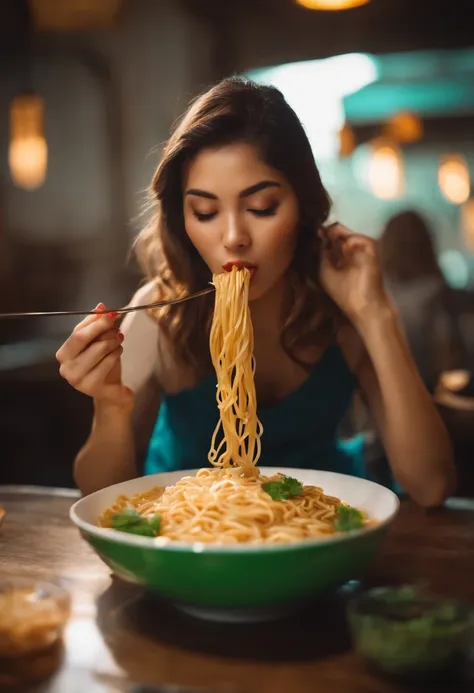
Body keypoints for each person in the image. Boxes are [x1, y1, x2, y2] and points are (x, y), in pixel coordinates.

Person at [56, 77, 455, 505]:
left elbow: (431, 486)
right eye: (205, 212)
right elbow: (101, 494)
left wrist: (377, 315)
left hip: (321, 534)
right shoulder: (160, 315)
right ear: (182, 219)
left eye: (261, 208)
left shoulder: (340, 308)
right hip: (188, 544)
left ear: (303, 206)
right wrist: (109, 406)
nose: (233, 237)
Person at [379, 210, 467, 393]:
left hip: (390, 395)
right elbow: (450, 360)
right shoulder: (438, 295)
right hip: (433, 396)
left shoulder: (378, 297)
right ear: (427, 244)